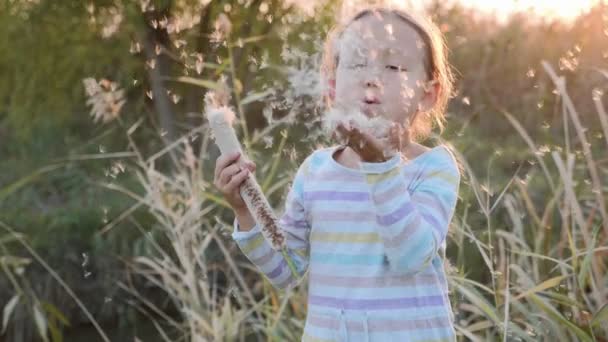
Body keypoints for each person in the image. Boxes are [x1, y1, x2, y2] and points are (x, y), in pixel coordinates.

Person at [214, 5, 462, 341]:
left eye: (392, 66)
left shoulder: (432, 168)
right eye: (357, 62)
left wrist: (380, 167)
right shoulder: (316, 171)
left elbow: (410, 256)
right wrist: (244, 209)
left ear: (428, 94)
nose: (371, 77)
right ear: (331, 86)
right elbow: (285, 268)